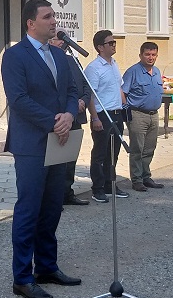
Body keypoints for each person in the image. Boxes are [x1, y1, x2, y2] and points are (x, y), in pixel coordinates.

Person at [2, 0, 80, 298]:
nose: (54, 21)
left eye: (54, 16)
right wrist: (54, 122)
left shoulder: (60, 55)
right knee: (29, 209)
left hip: (59, 140)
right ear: (30, 23)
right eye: (47, 17)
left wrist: (70, 115)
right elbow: (18, 99)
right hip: (32, 143)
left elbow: (72, 91)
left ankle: (46, 266)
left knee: (52, 207)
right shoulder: (15, 56)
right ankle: (22, 277)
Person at [84, 30, 130, 203]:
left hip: (117, 113)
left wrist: (125, 107)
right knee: (100, 154)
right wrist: (95, 118)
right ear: (100, 47)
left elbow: (119, 88)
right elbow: (90, 95)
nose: (114, 45)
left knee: (114, 152)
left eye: (114, 42)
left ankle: (110, 185)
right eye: (110, 43)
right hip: (102, 114)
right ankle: (97, 188)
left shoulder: (114, 64)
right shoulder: (94, 68)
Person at [49, 37, 90, 206]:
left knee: (71, 159)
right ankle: (55, 197)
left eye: (64, 39)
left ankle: (68, 193)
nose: (61, 42)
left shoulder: (73, 60)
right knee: (58, 160)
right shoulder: (50, 61)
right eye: (57, 39)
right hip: (60, 118)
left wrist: (83, 101)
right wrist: (72, 105)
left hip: (76, 117)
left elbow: (86, 87)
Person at [121, 41, 165, 192]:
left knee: (149, 148)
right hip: (137, 114)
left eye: (153, 54)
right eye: (147, 54)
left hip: (154, 115)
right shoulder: (133, 71)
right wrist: (126, 110)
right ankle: (137, 180)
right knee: (137, 149)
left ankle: (146, 176)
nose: (150, 57)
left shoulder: (157, 71)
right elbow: (122, 92)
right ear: (140, 55)